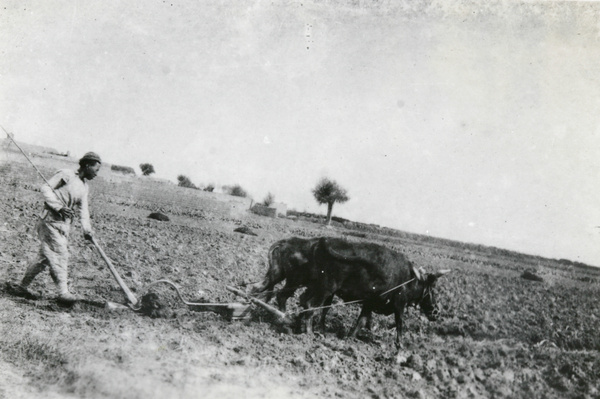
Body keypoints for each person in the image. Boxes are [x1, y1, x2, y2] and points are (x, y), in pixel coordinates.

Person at [12, 152, 102, 303]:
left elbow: (83, 211)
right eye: (96, 169)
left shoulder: (84, 187)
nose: (96, 174)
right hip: (49, 221)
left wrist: (87, 230)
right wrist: (59, 207)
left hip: (63, 225)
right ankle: (63, 293)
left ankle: (22, 286)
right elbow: (45, 188)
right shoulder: (66, 175)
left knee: (43, 258)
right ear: (87, 165)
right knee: (60, 254)